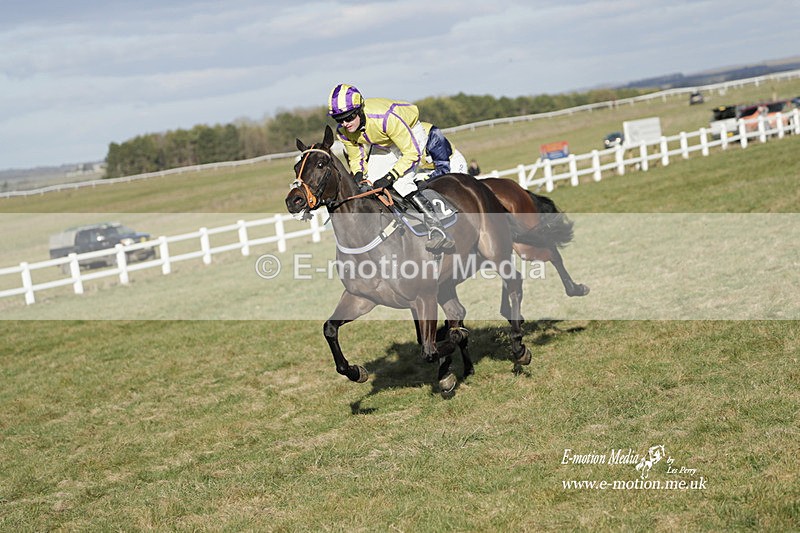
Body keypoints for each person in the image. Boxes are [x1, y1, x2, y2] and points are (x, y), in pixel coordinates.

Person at [327, 83, 467, 252]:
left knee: (401, 183)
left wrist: (390, 176)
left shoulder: (385, 118)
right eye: (339, 119)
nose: (345, 123)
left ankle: (436, 227)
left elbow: (411, 153)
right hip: (385, 141)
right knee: (368, 183)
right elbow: (356, 156)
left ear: (359, 110)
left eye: (349, 117)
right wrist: (358, 174)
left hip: (409, 130)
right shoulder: (343, 131)